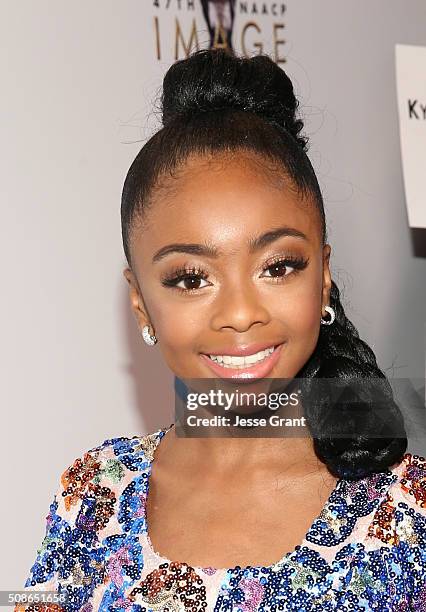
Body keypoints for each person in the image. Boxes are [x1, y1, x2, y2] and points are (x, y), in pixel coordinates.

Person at [17, 48, 426, 611]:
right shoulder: (90, 494)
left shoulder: (410, 512)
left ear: (324, 277)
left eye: (278, 266)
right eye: (191, 278)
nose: (239, 312)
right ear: (141, 304)